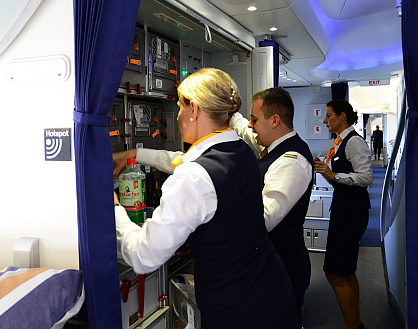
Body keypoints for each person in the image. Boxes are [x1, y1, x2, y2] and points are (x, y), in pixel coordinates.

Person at [113, 68, 298, 329]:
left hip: (238, 312)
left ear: (194, 109)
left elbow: (145, 255)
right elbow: (182, 161)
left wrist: (115, 210)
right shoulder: (242, 151)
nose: (177, 115)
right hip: (272, 291)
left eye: (179, 106)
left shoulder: (193, 176)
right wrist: (133, 154)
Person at [230, 87, 313, 327]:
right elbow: (245, 130)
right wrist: (231, 110)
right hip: (270, 266)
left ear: (275, 120)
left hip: (284, 268)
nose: (251, 125)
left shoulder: (292, 161)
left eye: (255, 119)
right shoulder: (274, 148)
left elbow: (263, 220)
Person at [313, 99, 373, 329]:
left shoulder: (354, 142)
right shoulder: (339, 143)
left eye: (329, 115)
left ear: (342, 117)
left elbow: (366, 177)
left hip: (352, 212)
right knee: (346, 272)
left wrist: (333, 175)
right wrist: (328, 172)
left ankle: (352, 326)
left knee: (334, 273)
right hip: (345, 209)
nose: (325, 120)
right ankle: (356, 323)